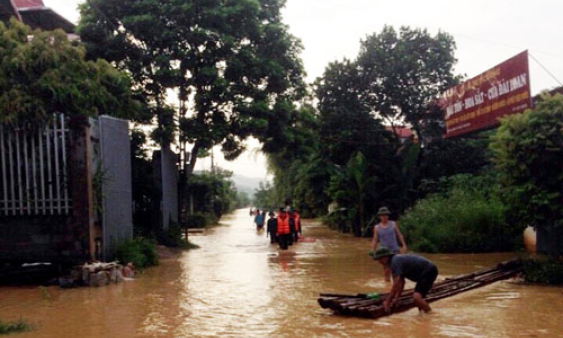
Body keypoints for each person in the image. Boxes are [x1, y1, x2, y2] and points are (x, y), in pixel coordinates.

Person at [372, 246, 438, 313]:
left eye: (380, 259)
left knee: (416, 297)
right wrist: (397, 298)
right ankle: (423, 316)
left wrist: (388, 301)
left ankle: (431, 315)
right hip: (426, 272)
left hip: (428, 271)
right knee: (419, 299)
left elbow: (396, 284)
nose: (379, 262)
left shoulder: (395, 262)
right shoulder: (396, 261)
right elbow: (401, 282)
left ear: (386, 257)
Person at [371, 206, 407, 282]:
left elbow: (399, 235)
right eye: (383, 215)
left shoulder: (393, 224)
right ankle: (387, 285)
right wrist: (373, 251)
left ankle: (399, 283)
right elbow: (375, 239)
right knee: (386, 270)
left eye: (386, 215)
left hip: (395, 250)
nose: (385, 217)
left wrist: (404, 245)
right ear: (380, 217)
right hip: (384, 253)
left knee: (398, 270)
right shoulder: (376, 227)